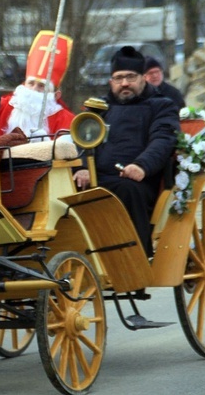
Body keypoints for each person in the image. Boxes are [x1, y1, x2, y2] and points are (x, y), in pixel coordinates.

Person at [73, 46, 180, 256]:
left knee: (126, 190)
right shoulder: (98, 108)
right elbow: (81, 140)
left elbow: (163, 139)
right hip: (96, 177)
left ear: (143, 79)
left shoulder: (162, 106)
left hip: (139, 180)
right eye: (119, 78)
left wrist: (142, 165)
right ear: (111, 81)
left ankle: (135, 259)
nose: (124, 83)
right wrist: (83, 167)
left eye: (131, 77)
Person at [0, 31, 75, 139]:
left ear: (56, 95)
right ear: (24, 84)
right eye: (31, 83)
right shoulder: (1, 106)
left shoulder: (67, 121)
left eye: (41, 86)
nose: (34, 90)